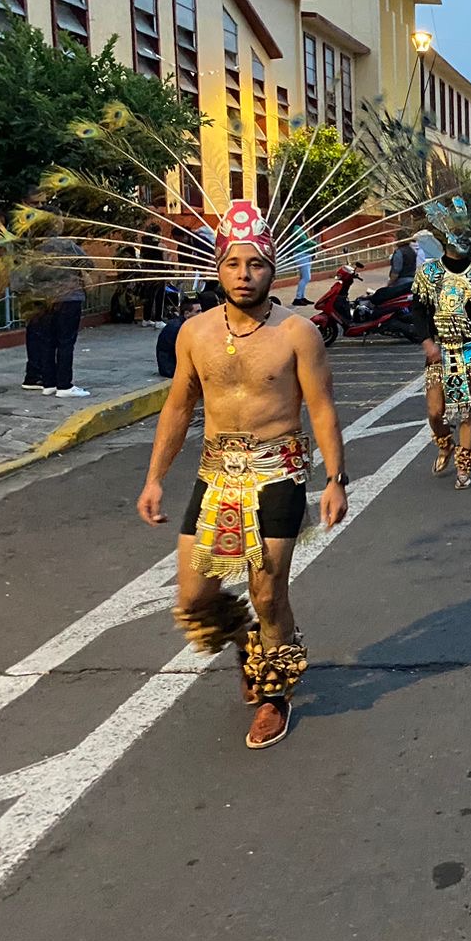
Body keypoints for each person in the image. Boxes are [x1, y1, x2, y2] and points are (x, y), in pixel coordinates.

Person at [138, 200, 348, 750]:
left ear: (272, 267)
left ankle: (274, 690)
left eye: (254, 264)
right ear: (217, 266)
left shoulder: (298, 332)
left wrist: (335, 480)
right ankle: (255, 647)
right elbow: (179, 408)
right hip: (215, 474)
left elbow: (321, 407)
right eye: (233, 264)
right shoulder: (193, 333)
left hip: (277, 470)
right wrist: (155, 477)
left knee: (268, 593)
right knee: (193, 598)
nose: (244, 275)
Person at [414, 200, 471, 489]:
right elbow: (418, 311)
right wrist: (427, 342)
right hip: (441, 350)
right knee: (434, 412)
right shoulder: (428, 274)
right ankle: (445, 443)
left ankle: (464, 466)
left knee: (467, 410)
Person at [21, 230, 91, 398]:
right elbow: (88, 264)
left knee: (47, 342)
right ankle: (64, 385)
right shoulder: (66, 245)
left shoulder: (33, 249)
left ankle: (49, 383)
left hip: (42, 298)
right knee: (65, 342)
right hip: (68, 297)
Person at [155, 294, 211, 378]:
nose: (201, 314)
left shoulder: (185, 325)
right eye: (198, 311)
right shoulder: (178, 328)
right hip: (171, 369)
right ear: (187, 314)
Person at [287, 221, 314, 306]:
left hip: (305, 254)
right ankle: (298, 298)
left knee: (303, 277)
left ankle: (301, 297)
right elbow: (304, 240)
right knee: (306, 277)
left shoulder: (299, 228)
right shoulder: (297, 228)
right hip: (301, 254)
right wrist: (315, 244)